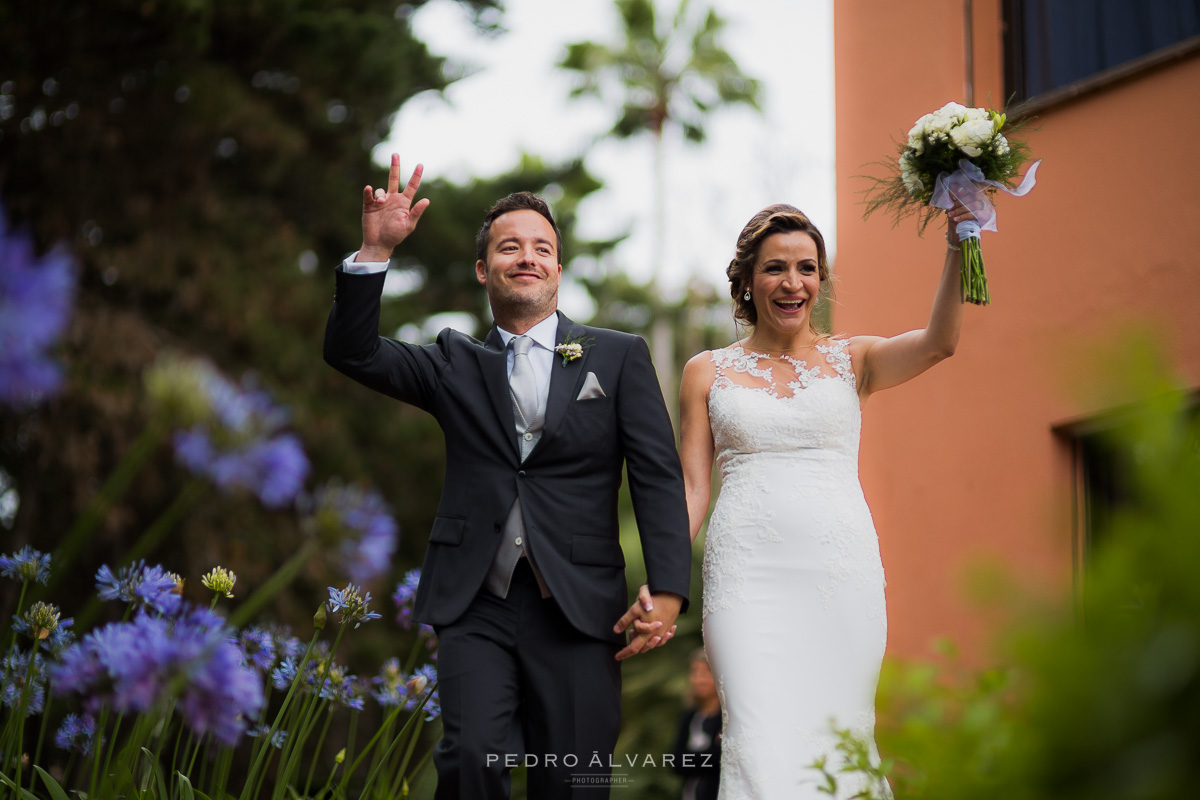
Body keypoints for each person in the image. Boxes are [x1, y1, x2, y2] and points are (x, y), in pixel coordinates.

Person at [323, 155, 692, 799]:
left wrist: (667, 590)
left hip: (580, 605)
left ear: (557, 267)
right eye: (509, 246)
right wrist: (375, 250)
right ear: (482, 269)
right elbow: (353, 351)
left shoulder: (619, 355)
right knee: (470, 763)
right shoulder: (452, 362)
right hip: (476, 602)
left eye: (541, 248)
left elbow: (658, 477)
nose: (527, 257)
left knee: (574, 781)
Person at [676, 203, 973, 797]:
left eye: (807, 268)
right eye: (775, 268)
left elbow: (941, 342)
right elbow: (692, 487)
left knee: (841, 733)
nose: (793, 283)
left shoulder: (854, 360)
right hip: (746, 579)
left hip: (840, 576)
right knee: (758, 736)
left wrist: (959, 241)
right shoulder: (706, 372)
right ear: (747, 281)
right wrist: (662, 578)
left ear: (821, 280)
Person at [671, 649, 722, 800]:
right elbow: (675, 762)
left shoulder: (727, 720)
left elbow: (720, 759)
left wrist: (691, 759)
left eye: (706, 673)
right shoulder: (690, 716)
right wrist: (708, 757)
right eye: (695, 672)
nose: (699, 680)